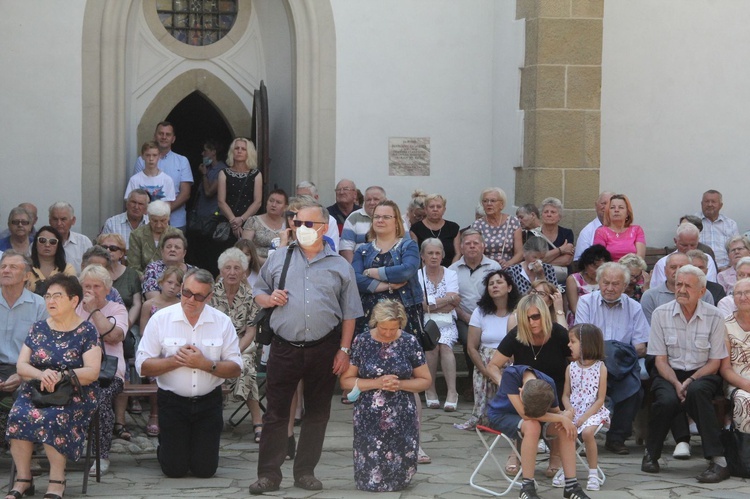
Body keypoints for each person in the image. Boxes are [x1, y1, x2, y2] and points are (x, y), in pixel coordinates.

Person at [249, 201, 363, 495]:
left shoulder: (340, 266)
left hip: (324, 348)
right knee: (275, 413)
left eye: (307, 224)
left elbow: (350, 313)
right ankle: (269, 475)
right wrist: (269, 298)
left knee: (317, 413)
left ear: (324, 228)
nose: (300, 228)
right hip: (284, 347)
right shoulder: (279, 258)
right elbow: (258, 292)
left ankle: (305, 472)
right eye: (296, 222)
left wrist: (344, 350)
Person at [136, 268, 241, 478]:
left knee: (205, 471)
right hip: (172, 403)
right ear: (181, 289)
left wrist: (205, 364)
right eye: (187, 293)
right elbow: (143, 366)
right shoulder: (160, 319)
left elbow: (236, 367)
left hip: (209, 403)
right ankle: (167, 448)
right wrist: (175, 361)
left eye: (199, 296)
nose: (191, 300)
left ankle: (191, 448)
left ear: (209, 297)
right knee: (174, 471)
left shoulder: (222, 321)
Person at [5, 274, 101, 499]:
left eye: (58, 295)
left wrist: (61, 375)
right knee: (18, 414)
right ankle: (23, 480)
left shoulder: (86, 331)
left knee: (52, 418)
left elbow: (92, 372)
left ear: (74, 300)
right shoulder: (38, 328)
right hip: (37, 391)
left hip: (74, 393)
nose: (51, 300)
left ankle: (57, 481)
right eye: (47, 296)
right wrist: (42, 374)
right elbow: (21, 366)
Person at [643, 265, 729, 483]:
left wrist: (690, 380)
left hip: (703, 373)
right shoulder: (661, 314)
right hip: (669, 371)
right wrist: (675, 382)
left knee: (698, 392)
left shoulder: (715, 316)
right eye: (678, 284)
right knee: (666, 400)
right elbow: (660, 360)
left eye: (687, 286)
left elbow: (715, 362)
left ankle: (718, 460)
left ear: (701, 292)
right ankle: (651, 454)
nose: (681, 289)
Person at [340, 300, 431, 492]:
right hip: (369, 414)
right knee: (370, 472)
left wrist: (400, 384)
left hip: (401, 412)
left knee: (400, 470)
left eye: (393, 329)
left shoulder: (409, 341)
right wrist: (376, 383)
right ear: (375, 322)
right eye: (384, 328)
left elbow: (425, 380)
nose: (389, 334)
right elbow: (346, 380)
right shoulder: (362, 341)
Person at [486, 294, 571, 478]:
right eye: (527, 318)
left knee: (561, 413)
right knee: (522, 413)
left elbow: (574, 365)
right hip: (523, 394)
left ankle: (555, 456)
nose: (532, 322)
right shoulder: (517, 335)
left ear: (545, 314)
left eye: (536, 316)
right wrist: (505, 384)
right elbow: (492, 366)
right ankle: (515, 454)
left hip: (556, 392)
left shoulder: (558, 334)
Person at [573, 262, 649, 455]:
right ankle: (583, 435)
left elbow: (640, 346)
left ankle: (616, 438)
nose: (610, 288)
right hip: (592, 361)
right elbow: (582, 339)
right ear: (598, 282)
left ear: (625, 286)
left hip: (623, 363)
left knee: (634, 390)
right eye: (605, 282)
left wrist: (615, 352)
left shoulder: (634, 307)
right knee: (585, 382)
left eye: (616, 284)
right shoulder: (586, 302)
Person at [486, 365, 591, 499]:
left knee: (564, 427)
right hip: (501, 415)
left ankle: (571, 486)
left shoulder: (548, 384)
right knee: (532, 425)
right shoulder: (510, 375)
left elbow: (556, 412)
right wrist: (561, 418)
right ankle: (527, 486)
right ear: (521, 391)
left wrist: (567, 415)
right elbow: (525, 414)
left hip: (536, 418)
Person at [75, 264, 128, 476]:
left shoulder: (117, 309)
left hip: (108, 374)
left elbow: (114, 337)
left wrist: (94, 310)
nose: (91, 290)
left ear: (107, 289)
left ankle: (101, 456)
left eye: (96, 286)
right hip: (77, 371)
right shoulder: (73, 307)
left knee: (101, 398)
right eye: (87, 285)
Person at [209, 248, 264, 443]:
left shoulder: (252, 296)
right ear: (221, 271)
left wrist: (234, 351)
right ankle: (210, 419)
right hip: (213, 344)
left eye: (237, 268)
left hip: (242, 344)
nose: (232, 272)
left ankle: (257, 419)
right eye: (228, 268)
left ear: (244, 272)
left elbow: (251, 331)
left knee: (245, 367)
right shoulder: (210, 294)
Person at [454, 270, 519, 431]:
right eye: (491, 284)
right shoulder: (480, 312)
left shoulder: (518, 312)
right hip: (485, 363)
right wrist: (486, 371)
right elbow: (471, 347)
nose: (495, 286)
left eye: (499, 282)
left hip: (510, 362)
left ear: (509, 287)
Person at [352, 200, 423, 336]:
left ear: (396, 222)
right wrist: (387, 286)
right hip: (370, 315)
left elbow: (406, 271)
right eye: (377, 217)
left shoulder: (408, 246)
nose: (380, 220)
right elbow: (355, 279)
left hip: (404, 314)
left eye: (386, 217)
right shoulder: (363, 250)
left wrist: (373, 272)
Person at [0, 251, 47, 443]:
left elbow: (44, 348)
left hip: (26, 368)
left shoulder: (39, 305)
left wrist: (22, 375)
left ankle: (27, 456)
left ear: (26, 275)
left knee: (27, 393)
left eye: (13, 267)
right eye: (3, 267)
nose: (6, 271)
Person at [449, 229, 501, 389]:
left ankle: (495, 378)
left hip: (491, 315)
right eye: (468, 244)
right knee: (468, 341)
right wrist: (465, 316)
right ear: (462, 247)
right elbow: (451, 301)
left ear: (483, 246)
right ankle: (474, 382)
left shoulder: (494, 267)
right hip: (464, 317)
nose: (472, 247)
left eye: (475, 243)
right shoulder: (452, 270)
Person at [561, 324, 610, 491]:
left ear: (585, 344)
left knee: (588, 432)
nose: (569, 345)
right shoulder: (570, 368)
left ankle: (593, 473)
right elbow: (565, 395)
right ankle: (565, 471)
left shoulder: (600, 368)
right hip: (574, 411)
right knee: (565, 431)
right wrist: (569, 409)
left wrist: (584, 417)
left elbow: (600, 399)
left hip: (594, 411)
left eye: (572, 341)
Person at [139, 266, 184, 437]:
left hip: (176, 348)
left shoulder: (181, 306)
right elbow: (143, 331)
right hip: (156, 348)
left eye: (177, 284)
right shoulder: (149, 305)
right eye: (169, 282)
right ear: (161, 282)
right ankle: (154, 415)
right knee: (155, 371)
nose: (172, 287)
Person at [417, 238, 460, 411]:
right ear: (422, 256)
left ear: (442, 255)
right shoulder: (417, 275)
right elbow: (421, 304)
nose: (434, 257)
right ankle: (430, 389)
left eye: (437, 253)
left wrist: (432, 303)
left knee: (446, 346)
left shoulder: (451, 274)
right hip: (426, 322)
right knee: (432, 347)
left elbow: (454, 303)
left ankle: (452, 392)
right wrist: (446, 299)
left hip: (448, 321)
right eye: (430, 253)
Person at [132, 121, 193, 230]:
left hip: (176, 222)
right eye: (161, 133)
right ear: (155, 136)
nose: (164, 137)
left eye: (168, 134)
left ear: (173, 139)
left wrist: (162, 213)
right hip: (145, 221)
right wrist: (152, 215)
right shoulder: (142, 161)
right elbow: (137, 192)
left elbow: (185, 194)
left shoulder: (182, 161)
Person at [186, 139, 226, 275]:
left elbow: (209, 192)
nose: (203, 153)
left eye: (206, 150)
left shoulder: (221, 169)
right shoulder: (207, 168)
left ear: (213, 152)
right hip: (200, 216)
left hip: (211, 218)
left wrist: (203, 174)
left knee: (209, 250)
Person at [642, 252, 714, 324]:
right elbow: (650, 329)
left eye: (682, 267)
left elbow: (708, 323)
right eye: (673, 267)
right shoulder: (650, 296)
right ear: (665, 270)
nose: (677, 271)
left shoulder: (703, 294)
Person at [217, 137, 263, 243]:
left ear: (249, 152)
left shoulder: (256, 174)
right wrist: (234, 222)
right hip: (228, 222)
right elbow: (221, 201)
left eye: (243, 149)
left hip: (249, 223)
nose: (239, 151)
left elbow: (258, 202)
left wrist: (241, 219)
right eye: (237, 148)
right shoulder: (223, 173)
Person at [720, 278, 750, 433]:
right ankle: (745, 452)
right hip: (739, 382)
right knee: (745, 401)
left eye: (747, 292)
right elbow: (725, 368)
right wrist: (746, 384)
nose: (743, 297)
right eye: (739, 293)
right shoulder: (725, 325)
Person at [96, 234, 142, 330]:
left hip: (125, 323)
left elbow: (136, 304)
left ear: (121, 253)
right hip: (97, 322)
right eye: (104, 247)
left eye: (113, 248)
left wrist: (127, 324)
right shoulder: (94, 273)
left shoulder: (132, 274)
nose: (108, 250)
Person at [650, 223, 718, 288]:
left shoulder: (706, 259)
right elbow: (658, 290)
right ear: (675, 241)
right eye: (684, 245)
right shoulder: (663, 263)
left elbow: (710, 285)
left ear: (698, 241)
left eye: (693, 245)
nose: (689, 249)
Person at [471, 187, 523, 268]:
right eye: (485, 201)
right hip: (485, 267)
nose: (488, 204)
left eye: (493, 201)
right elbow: (474, 251)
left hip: (509, 267)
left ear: (501, 205)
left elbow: (520, 253)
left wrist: (508, 263)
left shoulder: (513, 222)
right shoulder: (477, 225)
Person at [127, 200, 182, 274]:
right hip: (143, 279)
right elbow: (133, 267)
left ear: (168, 218)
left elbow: (180, 263)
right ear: (149, 218)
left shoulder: (176, 234)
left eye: (163, 221)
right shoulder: (137, 235)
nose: (159, 225)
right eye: (155, 221)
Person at [410, 194, 461, 266]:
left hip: (450, 271)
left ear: (444, 210)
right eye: (431, 206)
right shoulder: (416, 229)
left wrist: (450, 272)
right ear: (426, 209)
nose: (435, 209)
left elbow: (458, 253)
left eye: (439, 207)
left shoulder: (453, 228)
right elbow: (415, 255)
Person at [565, 244, 611, 326]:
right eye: (594, 266)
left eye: (601, 267)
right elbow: (574, 308)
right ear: (585, 264)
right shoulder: (573, 279)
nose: (597, 270)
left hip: (603, 320)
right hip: (579, 321)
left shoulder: (607, 280)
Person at [340, 185, 387, 263]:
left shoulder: (395, 218)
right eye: (368, 200)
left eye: (376, 199)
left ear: (385, 200)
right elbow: (346, 249)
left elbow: (406, 246)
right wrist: (355, 270)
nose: (372, 203)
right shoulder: (353, 218)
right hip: (361, 266)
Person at [241, 188, 288, 265]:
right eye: (271, 201)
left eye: (278, 202)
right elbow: (245, 248)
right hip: (256, 265)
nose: (273, 205)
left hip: (282, 266)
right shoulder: (253, 221)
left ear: (285, 207)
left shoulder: (288, 224)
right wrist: (266, 263)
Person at [592, 194, 645, 261]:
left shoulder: (637, 230)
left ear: (627, 213)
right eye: (612, 207)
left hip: (632, 269)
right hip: (609, 270)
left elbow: (640, 259)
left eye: (621, 207)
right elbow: (599, 259)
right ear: (608, 212)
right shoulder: (601, 232)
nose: (616, 210)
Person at [142, 232, 194, 300]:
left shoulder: (193, 272)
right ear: (162, 251)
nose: (172, 249)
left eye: (177, 247)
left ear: (184, 253)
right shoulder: (153, 269)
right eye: (168, 247)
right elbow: (154, 300)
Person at [696, 189, 739, 270]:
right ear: (701, 204)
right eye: (707, 201)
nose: (709, 204)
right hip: (700, 269)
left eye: (713, 201)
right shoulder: (692, 222)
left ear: (720, 205)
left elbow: (736, 249)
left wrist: (728, 268)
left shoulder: (730, 224)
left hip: (726, 269)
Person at [27, 226, 76, 296]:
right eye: (42, 240)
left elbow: (72, 294)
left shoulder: (67, 269)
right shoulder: (25, 268)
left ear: (58, 246)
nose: (47, 245)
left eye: (53, 242)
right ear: (35, 244)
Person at [48, 201, 93, 274]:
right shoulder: (41, 243)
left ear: (73, 221)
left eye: (63, 219)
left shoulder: (84, 242)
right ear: (50, 221)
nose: (59, 223)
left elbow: (92, 270)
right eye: (55, 219)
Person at [538, 197, 575, 283]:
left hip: (563, 279)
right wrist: (561, 250)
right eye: (546, 212)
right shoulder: (533, 234)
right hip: (540, 279)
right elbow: (533, 260)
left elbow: (566, 260)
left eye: (553, 212)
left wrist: (542, 261)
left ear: (559, 217)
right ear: (541, 215)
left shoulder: (567, 233)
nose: (549, 214)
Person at [296, 181, 340, 250]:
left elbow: (333, 250)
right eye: (299, 197)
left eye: (306, 197)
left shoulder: (329, 220)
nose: (302, 200)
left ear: (316, 198)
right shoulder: (292, 218)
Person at [574, 192, 613, 262]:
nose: (606, 207)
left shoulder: (625, 229)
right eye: (603, 203)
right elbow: (579, 261)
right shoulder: (587, 232)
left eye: (610, 204)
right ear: (596, 206)